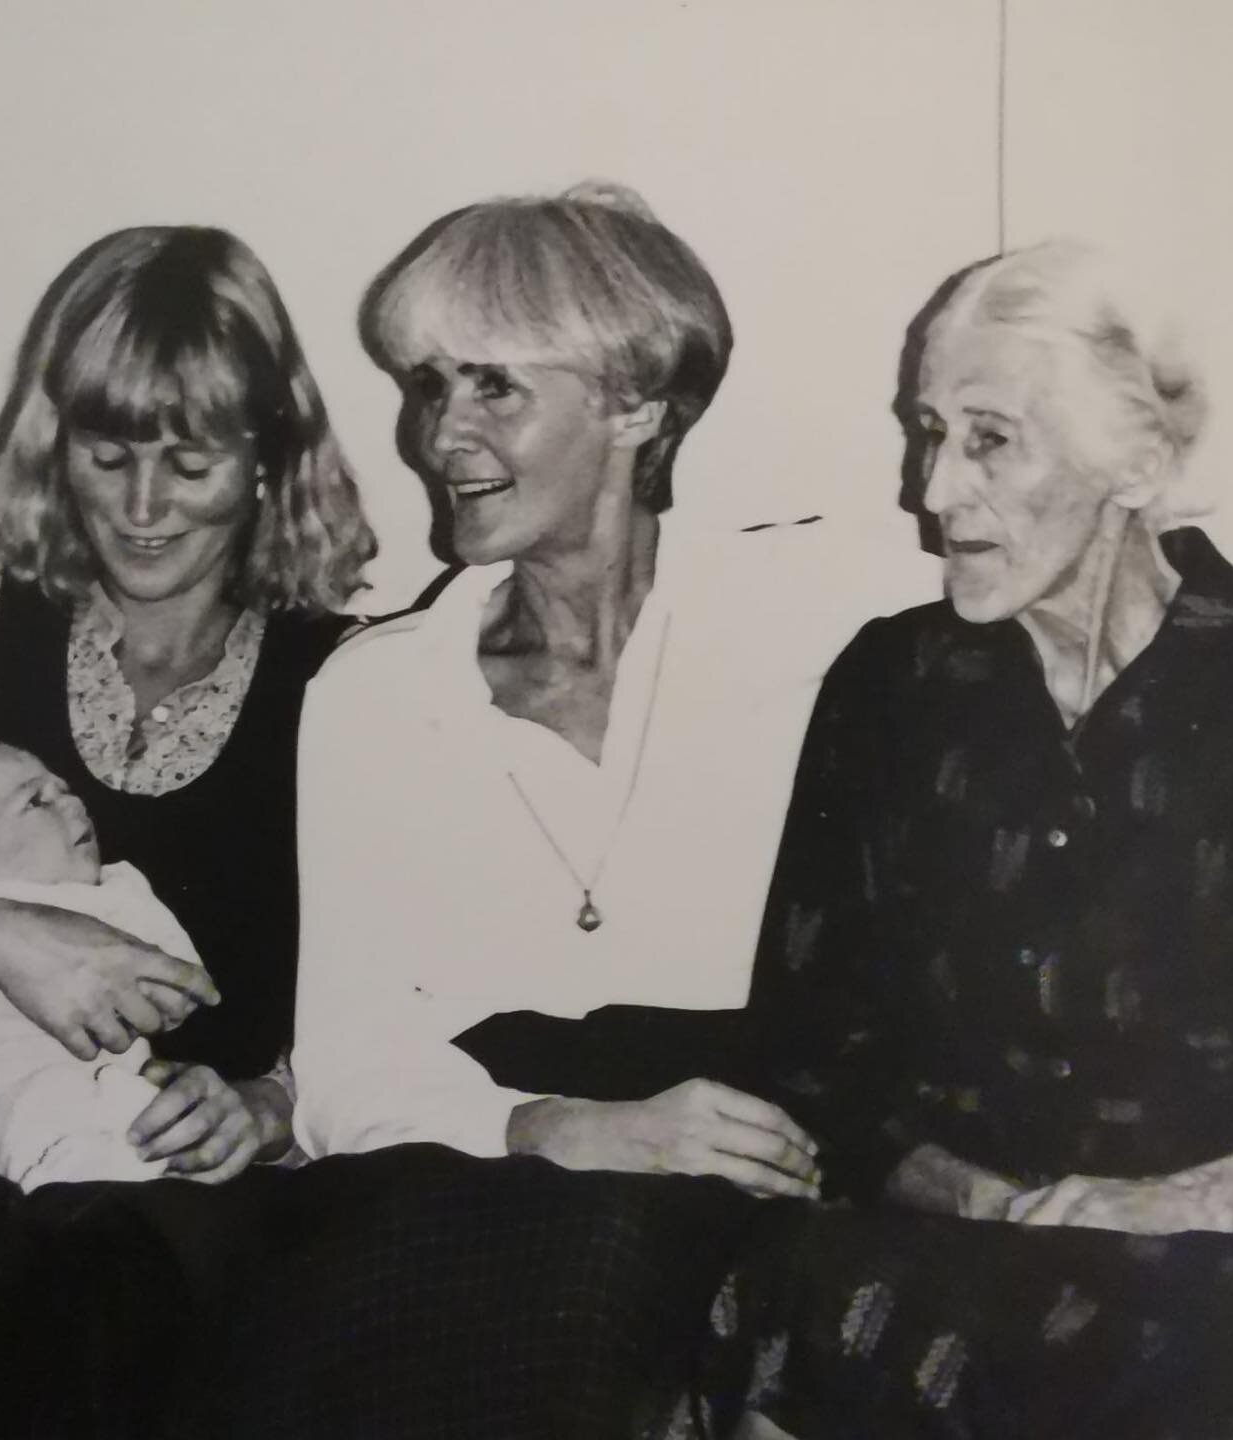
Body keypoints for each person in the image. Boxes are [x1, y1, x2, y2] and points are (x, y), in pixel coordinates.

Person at [271, 183, 933, 1438]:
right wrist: (568, 1128)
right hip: (494, 1173)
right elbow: (346, 1070)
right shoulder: (373, 695)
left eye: (492, 387)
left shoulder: (817, 620)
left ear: (638, 404)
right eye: (425, 386)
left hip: (757, 1148)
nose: (437, 435)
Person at [716, 241, 1233, 1439]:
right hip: (948, 1247)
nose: (930, 491)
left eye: (988, 439)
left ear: (1134, 460)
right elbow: (814, 1041)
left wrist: (1223, 1194)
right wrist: (979, 1197)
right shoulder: (892, 685)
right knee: (789, 1307)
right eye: (927, 431)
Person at [0, 224, 372, 1437]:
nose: (141, 509)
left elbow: (394, 1004)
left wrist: (274, 1106)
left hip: (163, 1198)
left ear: (268, 457)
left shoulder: (352, 680)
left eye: (190, 462)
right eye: (106, 452)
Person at [0, 742, 209, 1190]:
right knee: (43, 1114)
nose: (72, 801)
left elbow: (182, 987)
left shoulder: (122, 888)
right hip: (1, 1102)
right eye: (36, 801)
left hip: (113, 1091)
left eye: (64, 788)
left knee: (143, 1124)